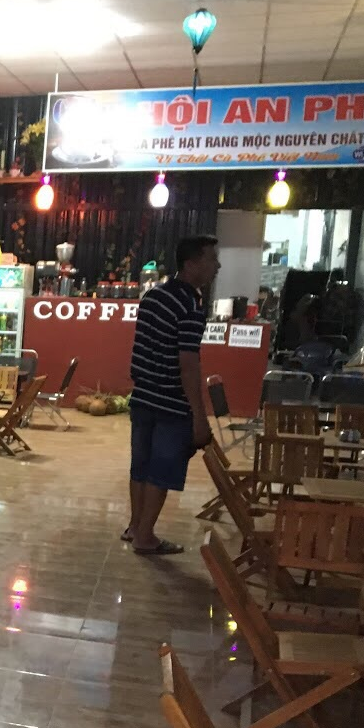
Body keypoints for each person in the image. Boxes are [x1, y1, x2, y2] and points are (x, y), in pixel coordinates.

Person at [123, 234, 220, 556]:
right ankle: (145, 537)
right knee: (161, 470)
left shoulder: (153, 296)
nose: (217, 265)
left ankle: (135, 526)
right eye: (211, 259)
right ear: (191, 264)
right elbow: (188, 364)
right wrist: (199, 416)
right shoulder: (190, 305)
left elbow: (142, 348)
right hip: (171, 402)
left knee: (140, 465)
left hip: (143, 396)